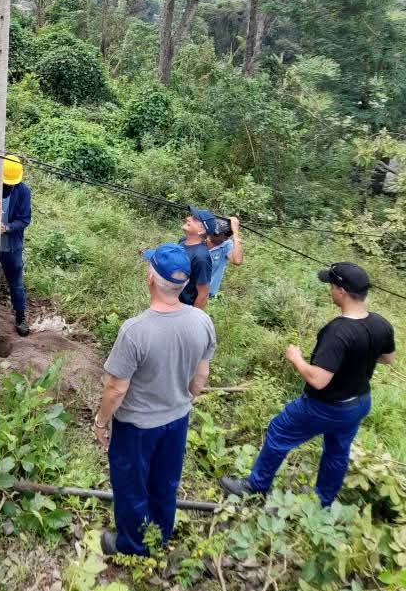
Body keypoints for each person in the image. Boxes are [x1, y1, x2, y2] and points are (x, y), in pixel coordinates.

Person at [221, 262, 395, 507]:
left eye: (331, 286)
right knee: (337, 451)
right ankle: (324, 501)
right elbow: (387, 358)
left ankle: (255, 486)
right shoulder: (381, 324)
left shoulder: (338, 332)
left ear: (342, 291)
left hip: (326, 406)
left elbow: (318, 380)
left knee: (279, 431)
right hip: (359, 403)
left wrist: (296, 359)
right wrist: (359, 356)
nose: (330, 290)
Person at [93, 243, 216, 556]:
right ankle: (160, 533)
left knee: (131, 484)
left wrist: (101, 422)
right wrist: (183, 399)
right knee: (165, 481)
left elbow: (115, 389)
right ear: (185, 283)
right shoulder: (202, 321)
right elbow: (201, 375)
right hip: (177, 420)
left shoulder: (135, 331)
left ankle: (133, 545)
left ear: (150, 278)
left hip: (137, 427)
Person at [0, 155, 32, 337]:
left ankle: (20, 317)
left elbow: (25, 219)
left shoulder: (23, 191)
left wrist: (7, 228)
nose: (7, 186)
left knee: (16, 282)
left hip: (12, 245)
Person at [179, 207, 215, 309]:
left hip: (183, 308)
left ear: (201, 230)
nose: (188, 218)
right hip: (170, 302)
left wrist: (193, 316)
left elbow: (203, 294)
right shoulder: (183, 241)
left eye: (194, 219)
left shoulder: (201, 258)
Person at [207, 215, 243, 300]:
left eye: (216, 233)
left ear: (226, 237)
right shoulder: (202, 237)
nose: (211, 234)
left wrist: (236, 233)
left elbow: (237, 261)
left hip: (207, 293)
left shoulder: (226, 245)